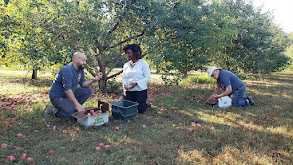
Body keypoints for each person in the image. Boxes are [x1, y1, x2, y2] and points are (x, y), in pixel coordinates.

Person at [43, 52, 103, 120]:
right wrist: (77, 105)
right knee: (75, 116)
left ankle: (74, 108)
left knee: (88, 90)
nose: (85, 63)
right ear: (75, 60)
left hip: (69, 95)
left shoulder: (80, 70)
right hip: (58, 97)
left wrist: (94, 80)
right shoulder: (67, 70)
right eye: (83, 60)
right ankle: (53, 110)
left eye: (85, 60)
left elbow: (83, 84)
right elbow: (67, 90)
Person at [122, 44, 151, 114]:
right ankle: (137, 101)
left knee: (141, 110)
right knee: (126, 108)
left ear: (135, 53)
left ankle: (145, 102)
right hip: (129, 91)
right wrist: (125, 85)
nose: (127, 55)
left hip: (140, 90)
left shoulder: (143, 63)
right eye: (126, 53)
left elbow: (148, 77)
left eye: (129, 53)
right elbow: (124, 77)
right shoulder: (126, 65)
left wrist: (136, 83)